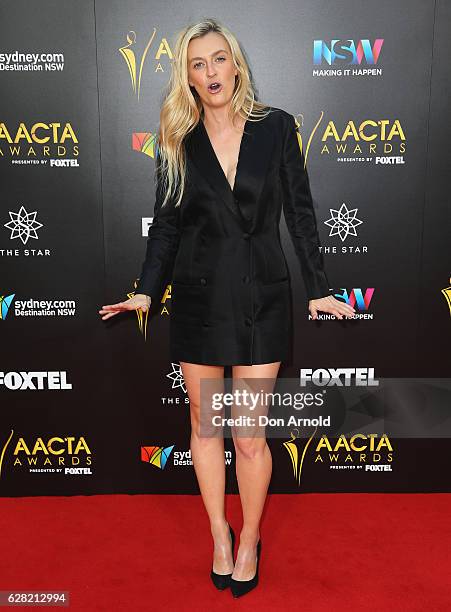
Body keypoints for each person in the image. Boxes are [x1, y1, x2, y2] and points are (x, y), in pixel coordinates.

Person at [99, 18, 355, 597]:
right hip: (199, 299)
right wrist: (146, 288)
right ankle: (219, 532)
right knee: (205, 429)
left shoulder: (278, 128)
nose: (210, 72)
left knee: (248, 436)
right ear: (186, 77)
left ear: (236, 64)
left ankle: (250, 537)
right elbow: (165, 228)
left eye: (218, 59)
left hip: (263, 296)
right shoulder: (177, 141)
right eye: (198, 63)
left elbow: (301, 213)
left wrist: (317, 285)